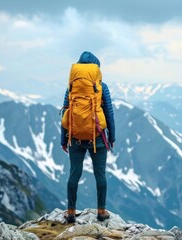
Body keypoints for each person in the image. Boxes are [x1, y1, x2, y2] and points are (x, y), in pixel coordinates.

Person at [60, 51, 115, 223]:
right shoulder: (101, 87)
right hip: (97, 137)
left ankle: (70, 212)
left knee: (74, 173)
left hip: (75, 138)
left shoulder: (71, 87)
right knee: (100, 174)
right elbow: (109, 113)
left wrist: (64, 139)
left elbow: (66, 113)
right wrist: (111, 136)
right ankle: (101, 211)